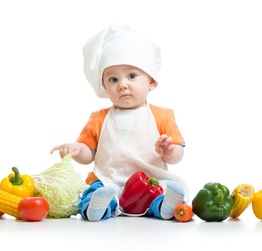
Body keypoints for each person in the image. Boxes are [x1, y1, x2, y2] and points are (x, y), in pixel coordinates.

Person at [51, 25, 188, 221]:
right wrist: (75, 150)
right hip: (109, 180)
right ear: (105, 88)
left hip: (151, 181)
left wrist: (169, 151)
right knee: (96, 190)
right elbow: (88, 155)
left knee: (161, 193)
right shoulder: (99, 118)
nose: (122, 84)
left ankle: (165, 207)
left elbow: (177, 155)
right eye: (113, 79)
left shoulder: (163, 116)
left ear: (151, 81)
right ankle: (97, 207)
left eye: (132, 76)